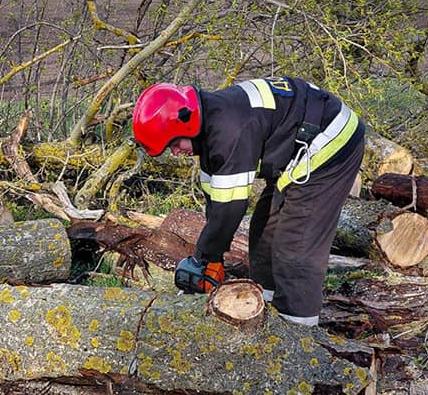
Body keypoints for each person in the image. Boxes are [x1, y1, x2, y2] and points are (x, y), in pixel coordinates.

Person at [131, 76, 365, 326]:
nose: (176, 152)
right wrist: (211, 258)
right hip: (298, 148)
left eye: (174, 144)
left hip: (332, 143)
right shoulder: (210, 126)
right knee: (263, 232)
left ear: (186, 124)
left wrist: (204, 257)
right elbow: (216, 202)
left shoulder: (229, 130)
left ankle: (299, 335)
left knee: (294, 246)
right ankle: (266, 314)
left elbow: (230, 208)